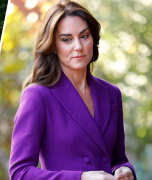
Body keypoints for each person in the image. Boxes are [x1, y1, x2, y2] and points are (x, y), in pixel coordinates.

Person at [9, 1, 136, 180]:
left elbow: (118, 159)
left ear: (93, 38)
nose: (78, 46)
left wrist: (126, 170)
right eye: (66, 39)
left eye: (84, 36)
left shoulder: (111, 93)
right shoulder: (38, 95)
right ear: (53, 45)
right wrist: (81, 177)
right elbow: (19, 173)